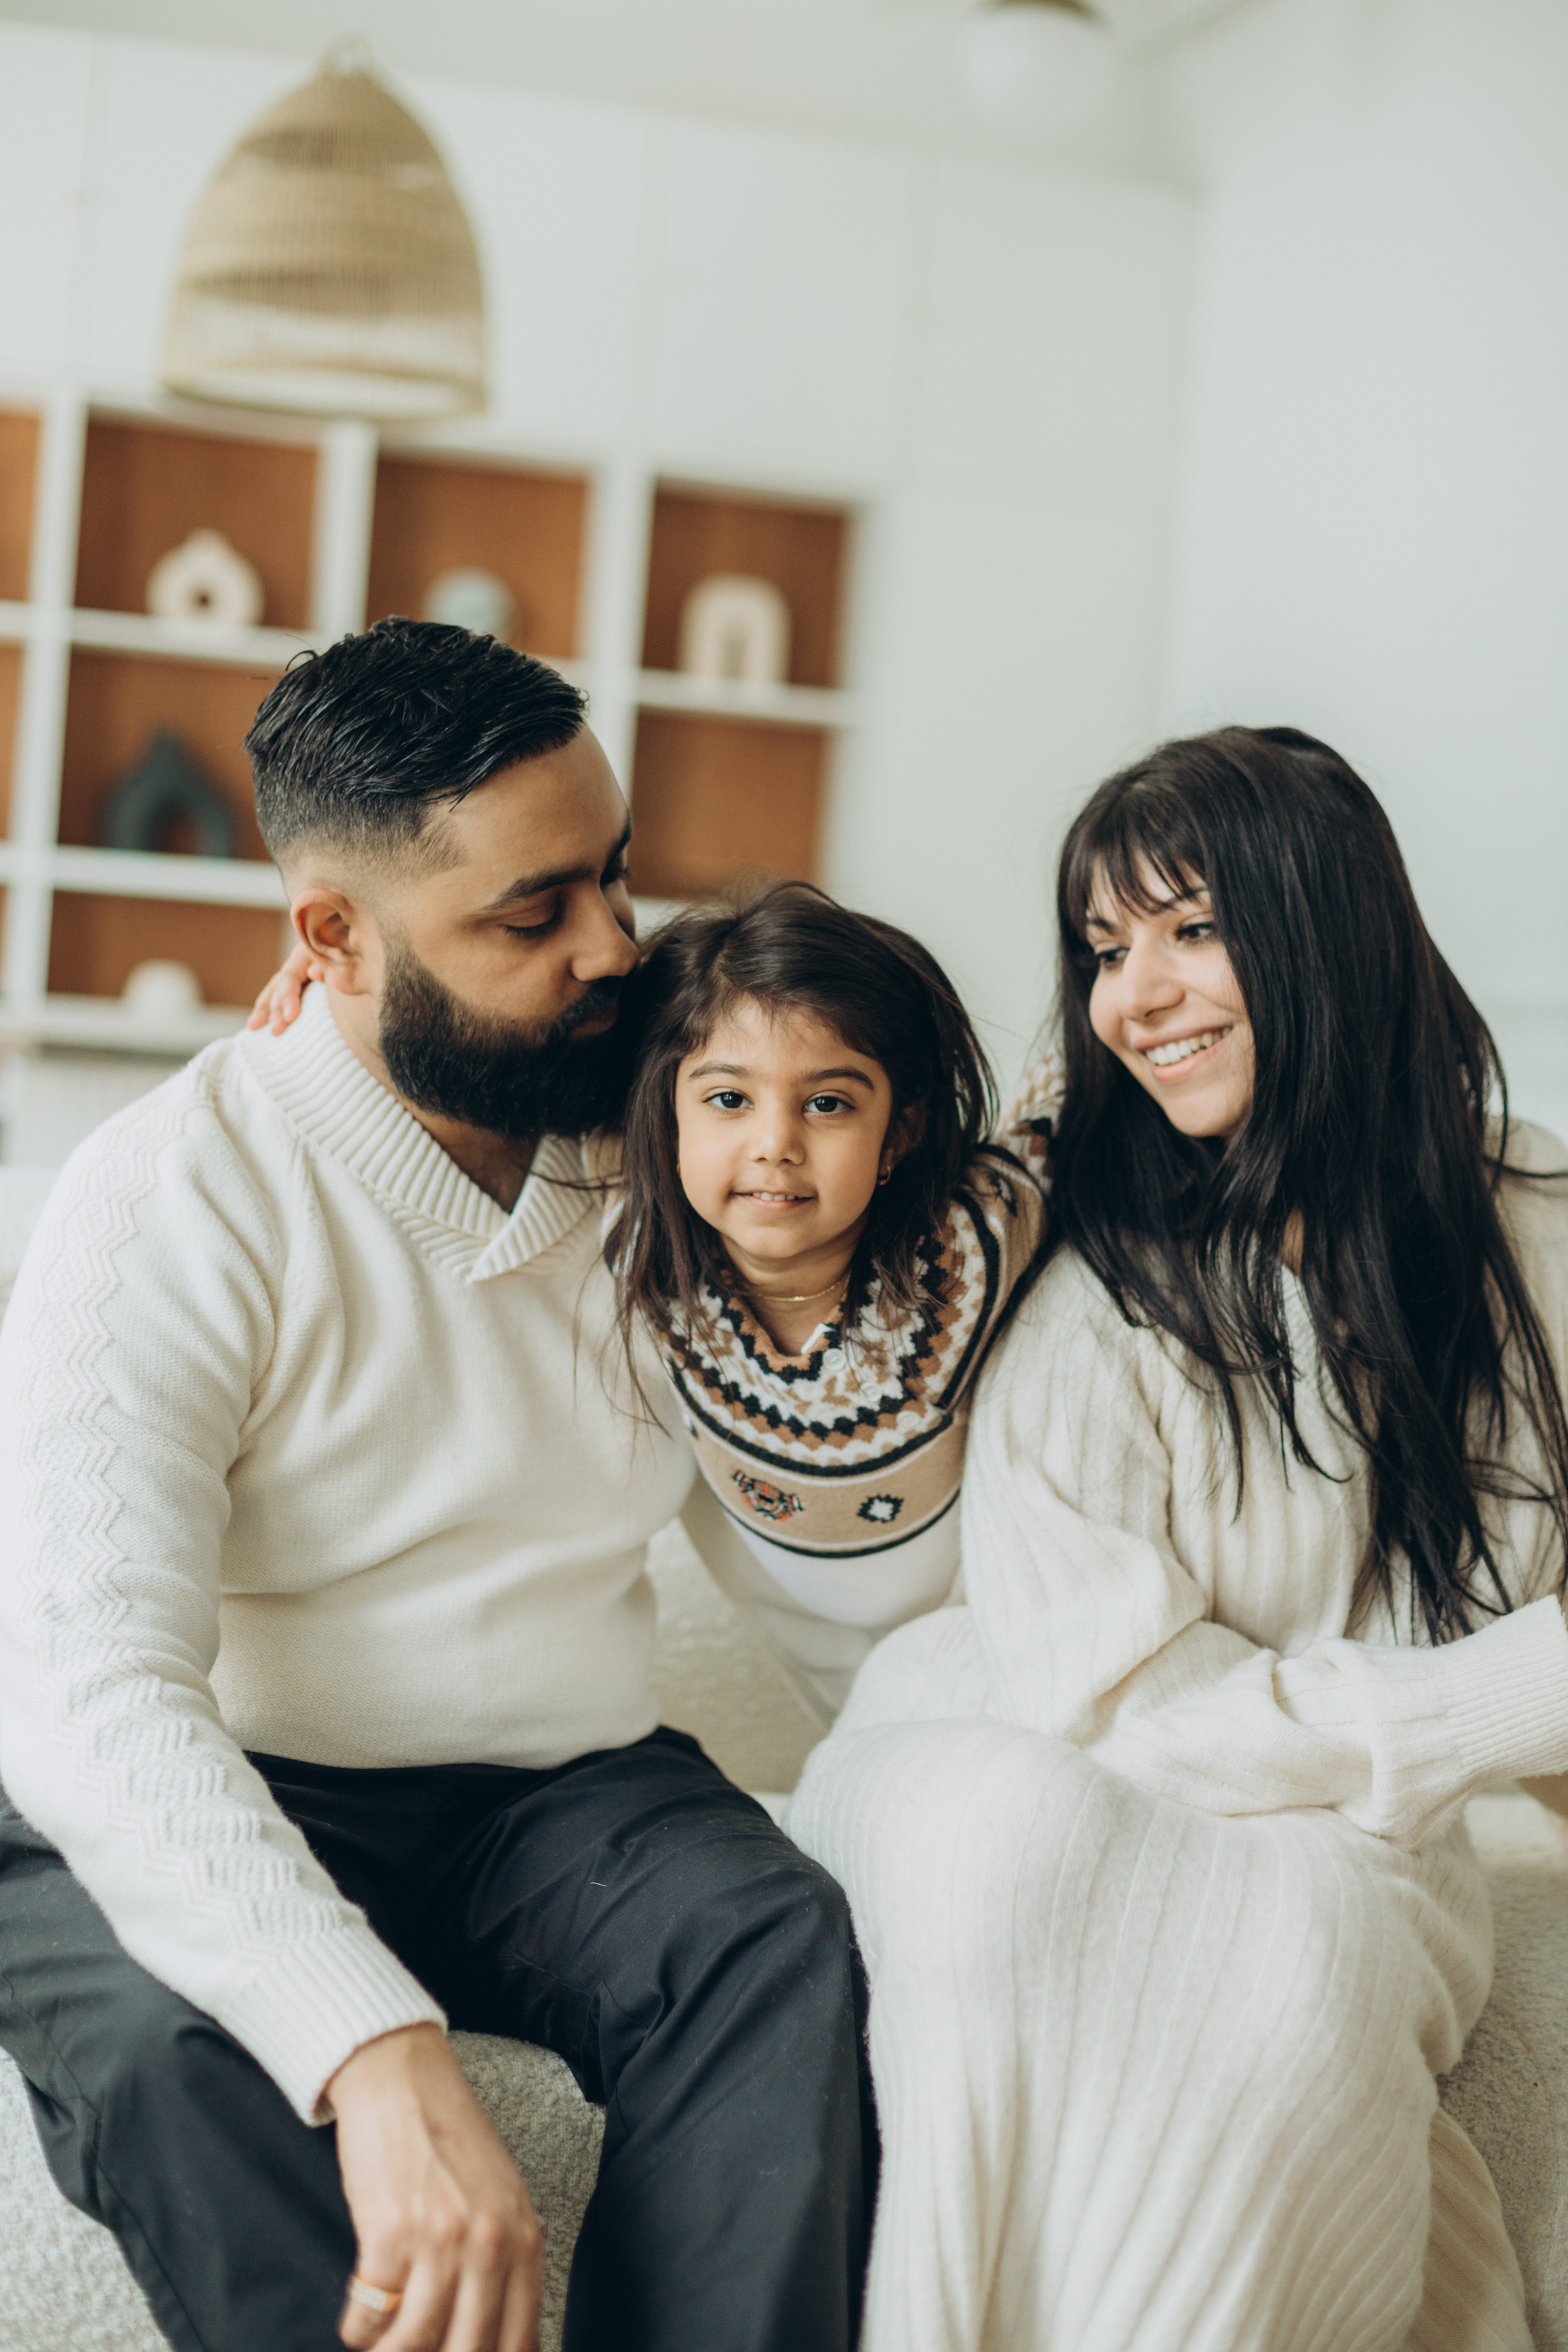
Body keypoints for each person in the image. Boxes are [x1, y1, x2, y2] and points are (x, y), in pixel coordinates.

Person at [0, 619, 876, 2352]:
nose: (610, 946)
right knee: (168, 2054)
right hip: (223, 1766)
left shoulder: (676, 1134)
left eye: (613, 875)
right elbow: (90, 1685)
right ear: (328, 938)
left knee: (772, 1938)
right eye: (531, 916)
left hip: (559, 1798)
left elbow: (903, 1110)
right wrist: (371, 2047)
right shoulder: (167, 1195)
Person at [785, 726, 1568, 2352]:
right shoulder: (1093, 1290)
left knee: (1311, 1941)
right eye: (1102, 950)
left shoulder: (1539, 1230)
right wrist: (1482, 1707)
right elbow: (1121, 1709)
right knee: (1059, 1866)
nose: (1132, 997)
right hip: (1018, 1741)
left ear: (1325, 928)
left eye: (1190, 928)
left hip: (1331, 1829)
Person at [257, 881, 1063, 1725]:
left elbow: (1075, 1094)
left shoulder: (979, 1232)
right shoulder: (636, 1224)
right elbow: (482, 1060)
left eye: (828, 1104)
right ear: (668, 1116)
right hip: (829, 1675)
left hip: (1000, 1637)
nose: (775, 1144)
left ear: (898, 1132)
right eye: (728, 1099)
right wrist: (354, 983)